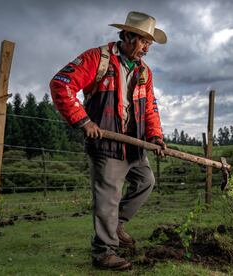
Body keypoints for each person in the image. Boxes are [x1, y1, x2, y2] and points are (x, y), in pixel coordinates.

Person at [50, 11, 167, 271]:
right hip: (106, 142)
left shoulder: (144, 72)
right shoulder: (96, 59)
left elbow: (150, 108)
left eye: (149, 43)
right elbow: (61, 84)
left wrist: (156, 135)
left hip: (134, 144)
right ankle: (104, 252)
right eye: (143, 41)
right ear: (126, 36)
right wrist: (83, 121)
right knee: (108, 199)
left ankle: (117, 224)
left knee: (146, 182)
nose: (146, 48)